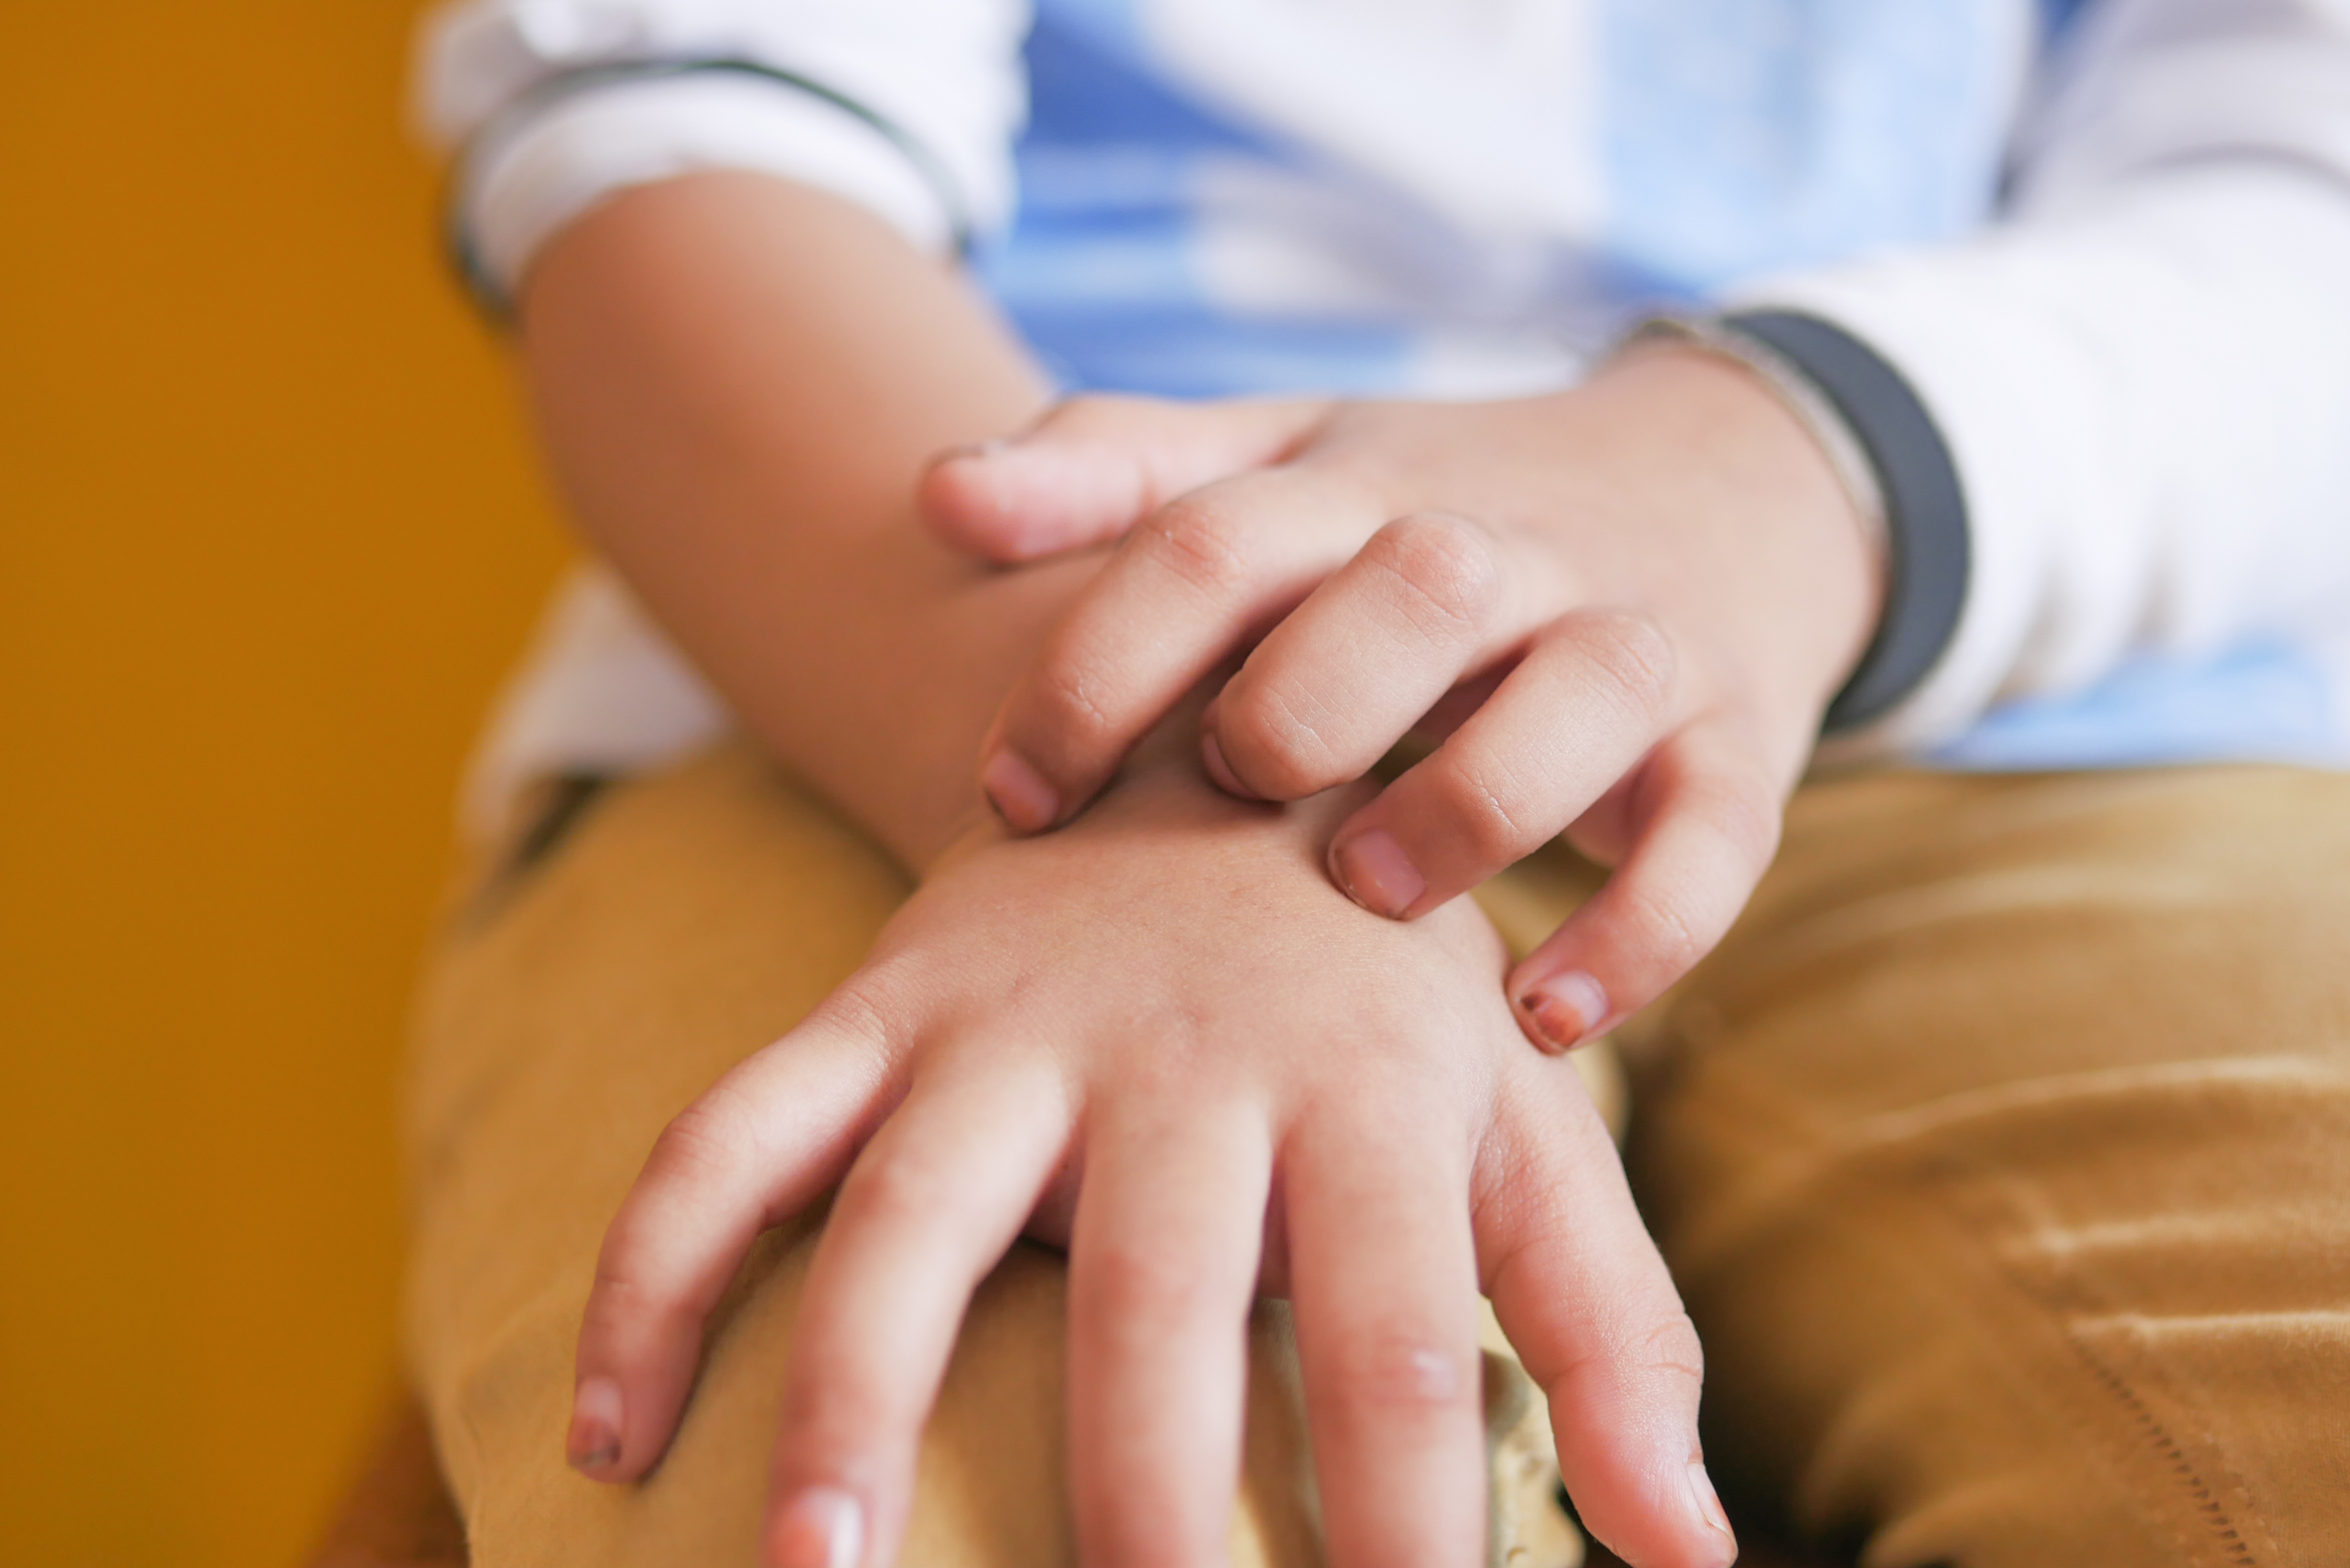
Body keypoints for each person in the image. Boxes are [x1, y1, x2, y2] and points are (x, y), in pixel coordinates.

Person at [378, 2, 2350, 1565]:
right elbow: (690, 135)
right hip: (898, 682)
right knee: (957, 1480)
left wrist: (1789, 467)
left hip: (2068, 728)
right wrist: (1126, 776)